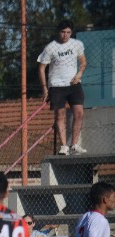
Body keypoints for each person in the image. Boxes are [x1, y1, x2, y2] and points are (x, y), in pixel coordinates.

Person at [37, 20, 87, 156]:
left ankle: (75, 145)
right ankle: (64, 146)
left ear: (71, 32)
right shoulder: (50, 47)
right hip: (57, 86)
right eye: (63, 32)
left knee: (79, 113)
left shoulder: (77, 44)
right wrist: (45, 89)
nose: (65, 35)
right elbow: (42, 68)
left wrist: (79, 74)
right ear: (58, 32)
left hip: (74, 85)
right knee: (60, 115)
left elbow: (83, 62)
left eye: (68, 32)